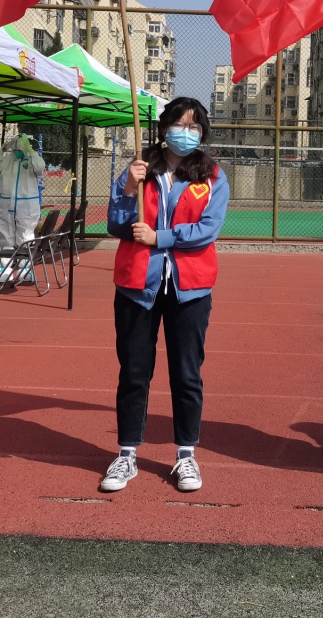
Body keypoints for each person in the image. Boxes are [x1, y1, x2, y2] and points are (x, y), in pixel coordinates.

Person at [101, 96, 229, 494]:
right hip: (137, 286)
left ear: (203, 132)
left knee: (187, 374)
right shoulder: (140, 169)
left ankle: (186, 454)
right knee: (133, 372)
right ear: (163, 127)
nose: (185, 132)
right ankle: (126, 454)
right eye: (179, 124)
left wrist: (161, 237)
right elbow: (116, 224)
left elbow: (207, 229)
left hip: (190, 290)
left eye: (194, 126)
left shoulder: (211, 175)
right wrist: (128, 188)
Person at [0, 133, 45, 253]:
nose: (16, 152)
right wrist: (0, 150)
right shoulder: (7, 161)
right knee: (5, 235)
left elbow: (40, 167)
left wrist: (30, 150)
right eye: (14, 150)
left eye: (19, 150)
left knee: (25, 236)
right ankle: (5, 262)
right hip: (7, 204)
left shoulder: (32, 161)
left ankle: (24, 262)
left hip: (26, 206)